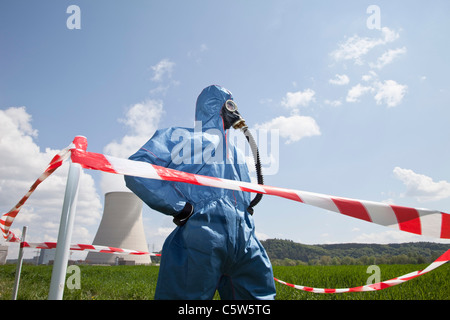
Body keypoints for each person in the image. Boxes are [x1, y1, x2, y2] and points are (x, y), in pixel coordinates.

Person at [124, 85, 276, 300]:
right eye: (229, 105)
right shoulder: (180, 137)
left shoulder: (238, 155)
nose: (235, 111)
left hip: (245, 239)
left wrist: (246, 213)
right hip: (201, 236)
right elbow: (136, 170)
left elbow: (246, 194)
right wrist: (180, 207)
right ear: (215, 106)